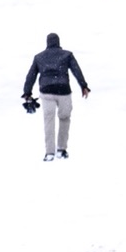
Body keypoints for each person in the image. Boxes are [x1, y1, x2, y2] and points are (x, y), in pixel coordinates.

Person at [22, 31, 91, 161]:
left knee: (49, 120)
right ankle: (61, 149)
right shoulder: (67, 55)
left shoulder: (39, 57)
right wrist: (84, 86)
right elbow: (77, 70)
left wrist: (27, 92)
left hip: (46, 91)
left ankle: (49, 153)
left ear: (47, 43)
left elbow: (30, 75)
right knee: (64, 118)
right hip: (64, 91)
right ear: (58, 42)